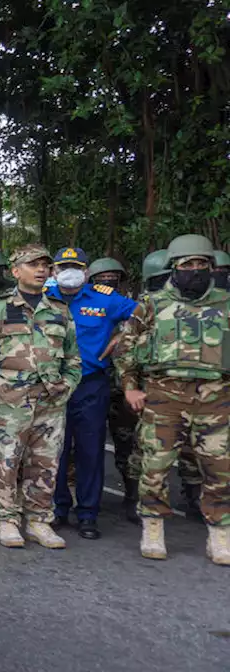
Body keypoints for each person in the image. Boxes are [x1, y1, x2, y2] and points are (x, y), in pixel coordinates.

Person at [116, 234, 230, 564]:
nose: (195, 270)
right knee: (156, 465)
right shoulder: (152, 304)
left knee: (220, 468)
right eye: (187, 264)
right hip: (165, 395)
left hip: (216, 397)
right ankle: (153, 527)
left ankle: (220, 533)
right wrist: (129, 387)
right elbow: (125, 350)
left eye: (201, 264)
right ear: (174, 268)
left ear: (212, 267)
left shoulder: (225, 302)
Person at [0, 244, 81, 549]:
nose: (42, 270)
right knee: (7, 460)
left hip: (51, 402)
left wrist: (67, 386)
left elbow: (72, 356)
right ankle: (6, 520)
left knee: (45, 463)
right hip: (12, 403)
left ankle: (38, 521)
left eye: (45, 265)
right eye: (34, 264)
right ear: (16, 271)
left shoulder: (59, 311)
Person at [42, 248, 136, 539]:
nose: (69, 271)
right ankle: (56, 509)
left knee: (90, 450)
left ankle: (87, 514)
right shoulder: (42, 299)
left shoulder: (105, 299)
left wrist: (123, 336)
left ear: (86, 272)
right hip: (52, 385)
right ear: (54, 271)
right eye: (64, 266)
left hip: (90, 384)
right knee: (53, 449)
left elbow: (146, 315)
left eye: (76, 266)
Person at [87, 257, 143, 523]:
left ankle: (133, 496)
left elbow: (146, 320)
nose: (108, 281)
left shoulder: (127, 307)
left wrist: (121, 336)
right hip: (95, 383)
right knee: (84, 445)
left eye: (113, 277)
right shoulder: (89, 304)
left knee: (127, 443)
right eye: (102, 278)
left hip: (123, 389)